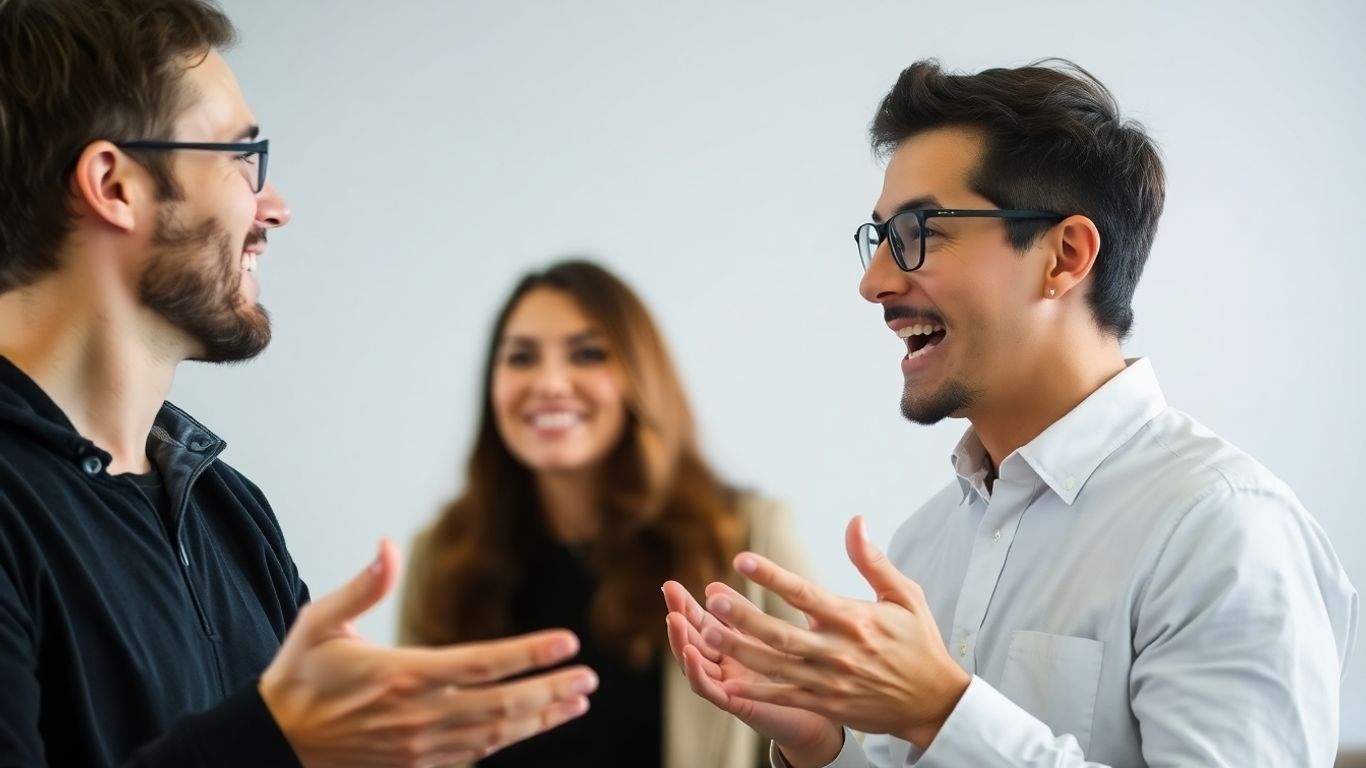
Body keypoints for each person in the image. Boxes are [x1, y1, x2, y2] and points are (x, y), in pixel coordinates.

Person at [662, 59, 1359, 767]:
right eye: (878, 240)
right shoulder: (926, 543)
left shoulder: (1225, 531)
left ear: (1064, 256)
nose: (874, 283)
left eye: (917, 232)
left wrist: (943, 711)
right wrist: (825, 748)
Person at [0, 1, 598, 765]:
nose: (274, 208)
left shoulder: (230, 512)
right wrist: (274, 739)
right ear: (115, 185)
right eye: (242, 159)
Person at [399, 259, 810, 767]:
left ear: (639, 378)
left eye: (588, 353)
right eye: (521, 357)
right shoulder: (441, 558)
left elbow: (829, 742)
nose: (549, 382)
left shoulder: (748, 538)